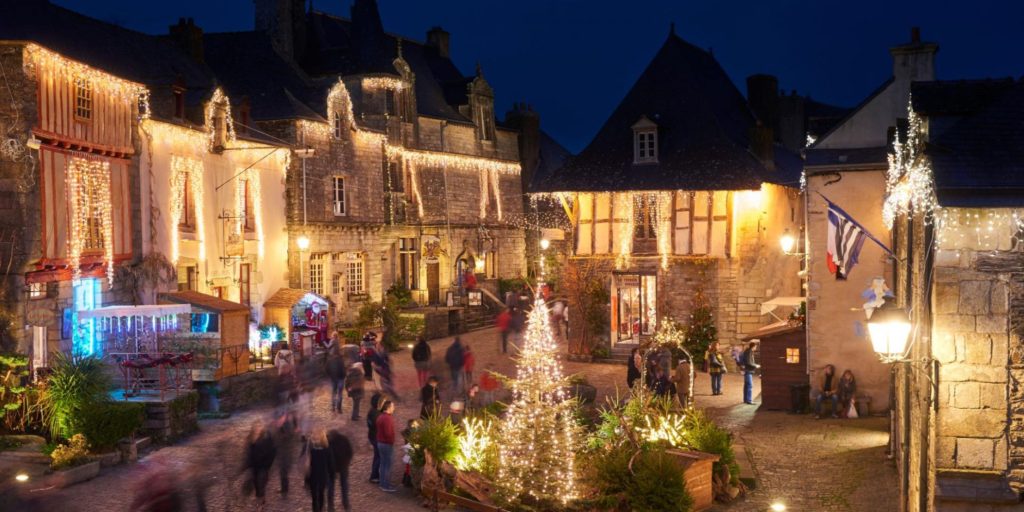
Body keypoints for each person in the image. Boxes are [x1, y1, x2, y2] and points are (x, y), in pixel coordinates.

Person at [244, 420, 276, 507]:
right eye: (256, 427)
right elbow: (248, 452)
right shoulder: (250, 438)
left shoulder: (267, 438)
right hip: (254, 466)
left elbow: (273, 451)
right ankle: (259, 496)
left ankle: (261, 501)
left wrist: (268, 464)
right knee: (256, 483)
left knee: (261, 482)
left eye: (259, 427)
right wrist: (247, 464)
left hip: (263, 466)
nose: (257, 429)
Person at [305, 430, 335, 512]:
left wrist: (306, 479)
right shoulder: (327, 450)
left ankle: (315, 510)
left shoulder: (311, 450)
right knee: (321, 494)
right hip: (323, 476)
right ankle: (320, 509)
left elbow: (307, 465)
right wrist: (332, 476)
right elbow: (331, 465)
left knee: (314, 497)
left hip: (313, 476)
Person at [327, 430, 354, 512]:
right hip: (343, 466)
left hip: (332, 468)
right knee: (344, 485)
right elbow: (350, 452)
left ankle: (331, 505)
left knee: (331, 487)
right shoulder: (344, 439)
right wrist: (347, 462)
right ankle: (346, 504)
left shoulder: (328, 442)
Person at [273, 408, 298, 495]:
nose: (278, 421)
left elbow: (289, 437)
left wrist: (279, 433)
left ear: (284, 417)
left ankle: (285, 489)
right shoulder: (281, 425)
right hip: (282, 452)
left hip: (286, 453)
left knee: (284, 471)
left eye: (279, 418)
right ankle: (284, 488)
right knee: (282, 471)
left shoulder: (287, 426)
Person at [375, 399, 398, 492]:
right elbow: (388, 433)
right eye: (393, 406)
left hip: (380, 443)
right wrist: (392, 441)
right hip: (386, 444)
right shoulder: (388, 419)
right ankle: (386, 485)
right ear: (388, 407)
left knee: (383, 464)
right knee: (387, 465)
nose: (394, 408)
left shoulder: (381, 416)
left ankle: (383, 483)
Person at [366, 392, 383, 483]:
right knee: (379, 457)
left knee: (377, 456)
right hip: (376, 437)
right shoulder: (376, 414)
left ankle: (375, 475)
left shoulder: (372, 411)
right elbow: (378, 426)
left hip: (372, 436)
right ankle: (374, 476)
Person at [326, 347, 346, 414]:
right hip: (340, 378)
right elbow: (344, 369)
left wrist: (330, 376)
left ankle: (333, 407)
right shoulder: (341, 360)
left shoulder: (330, 360)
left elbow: (326, 369)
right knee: (340, 394)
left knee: (334, 393)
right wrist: (344, 376)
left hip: (333, 379)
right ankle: (339, 408)